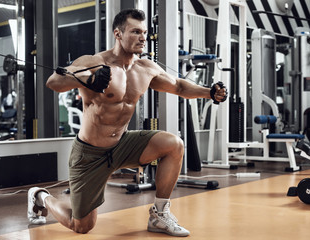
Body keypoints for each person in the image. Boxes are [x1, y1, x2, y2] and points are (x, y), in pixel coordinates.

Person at [27, 8, 227, 237]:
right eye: (135, 32)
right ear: (118, 34)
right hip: (90, 154)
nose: (143, 37)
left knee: (174, 144)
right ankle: (40, 196)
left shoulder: (145, 68)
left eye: (144, 32)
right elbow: (53, 82)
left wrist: (209, 92)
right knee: (81, 226)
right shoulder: (94, 62)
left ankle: (159, 215)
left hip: (122, 145)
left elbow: (179, 86)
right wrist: (87, 78)